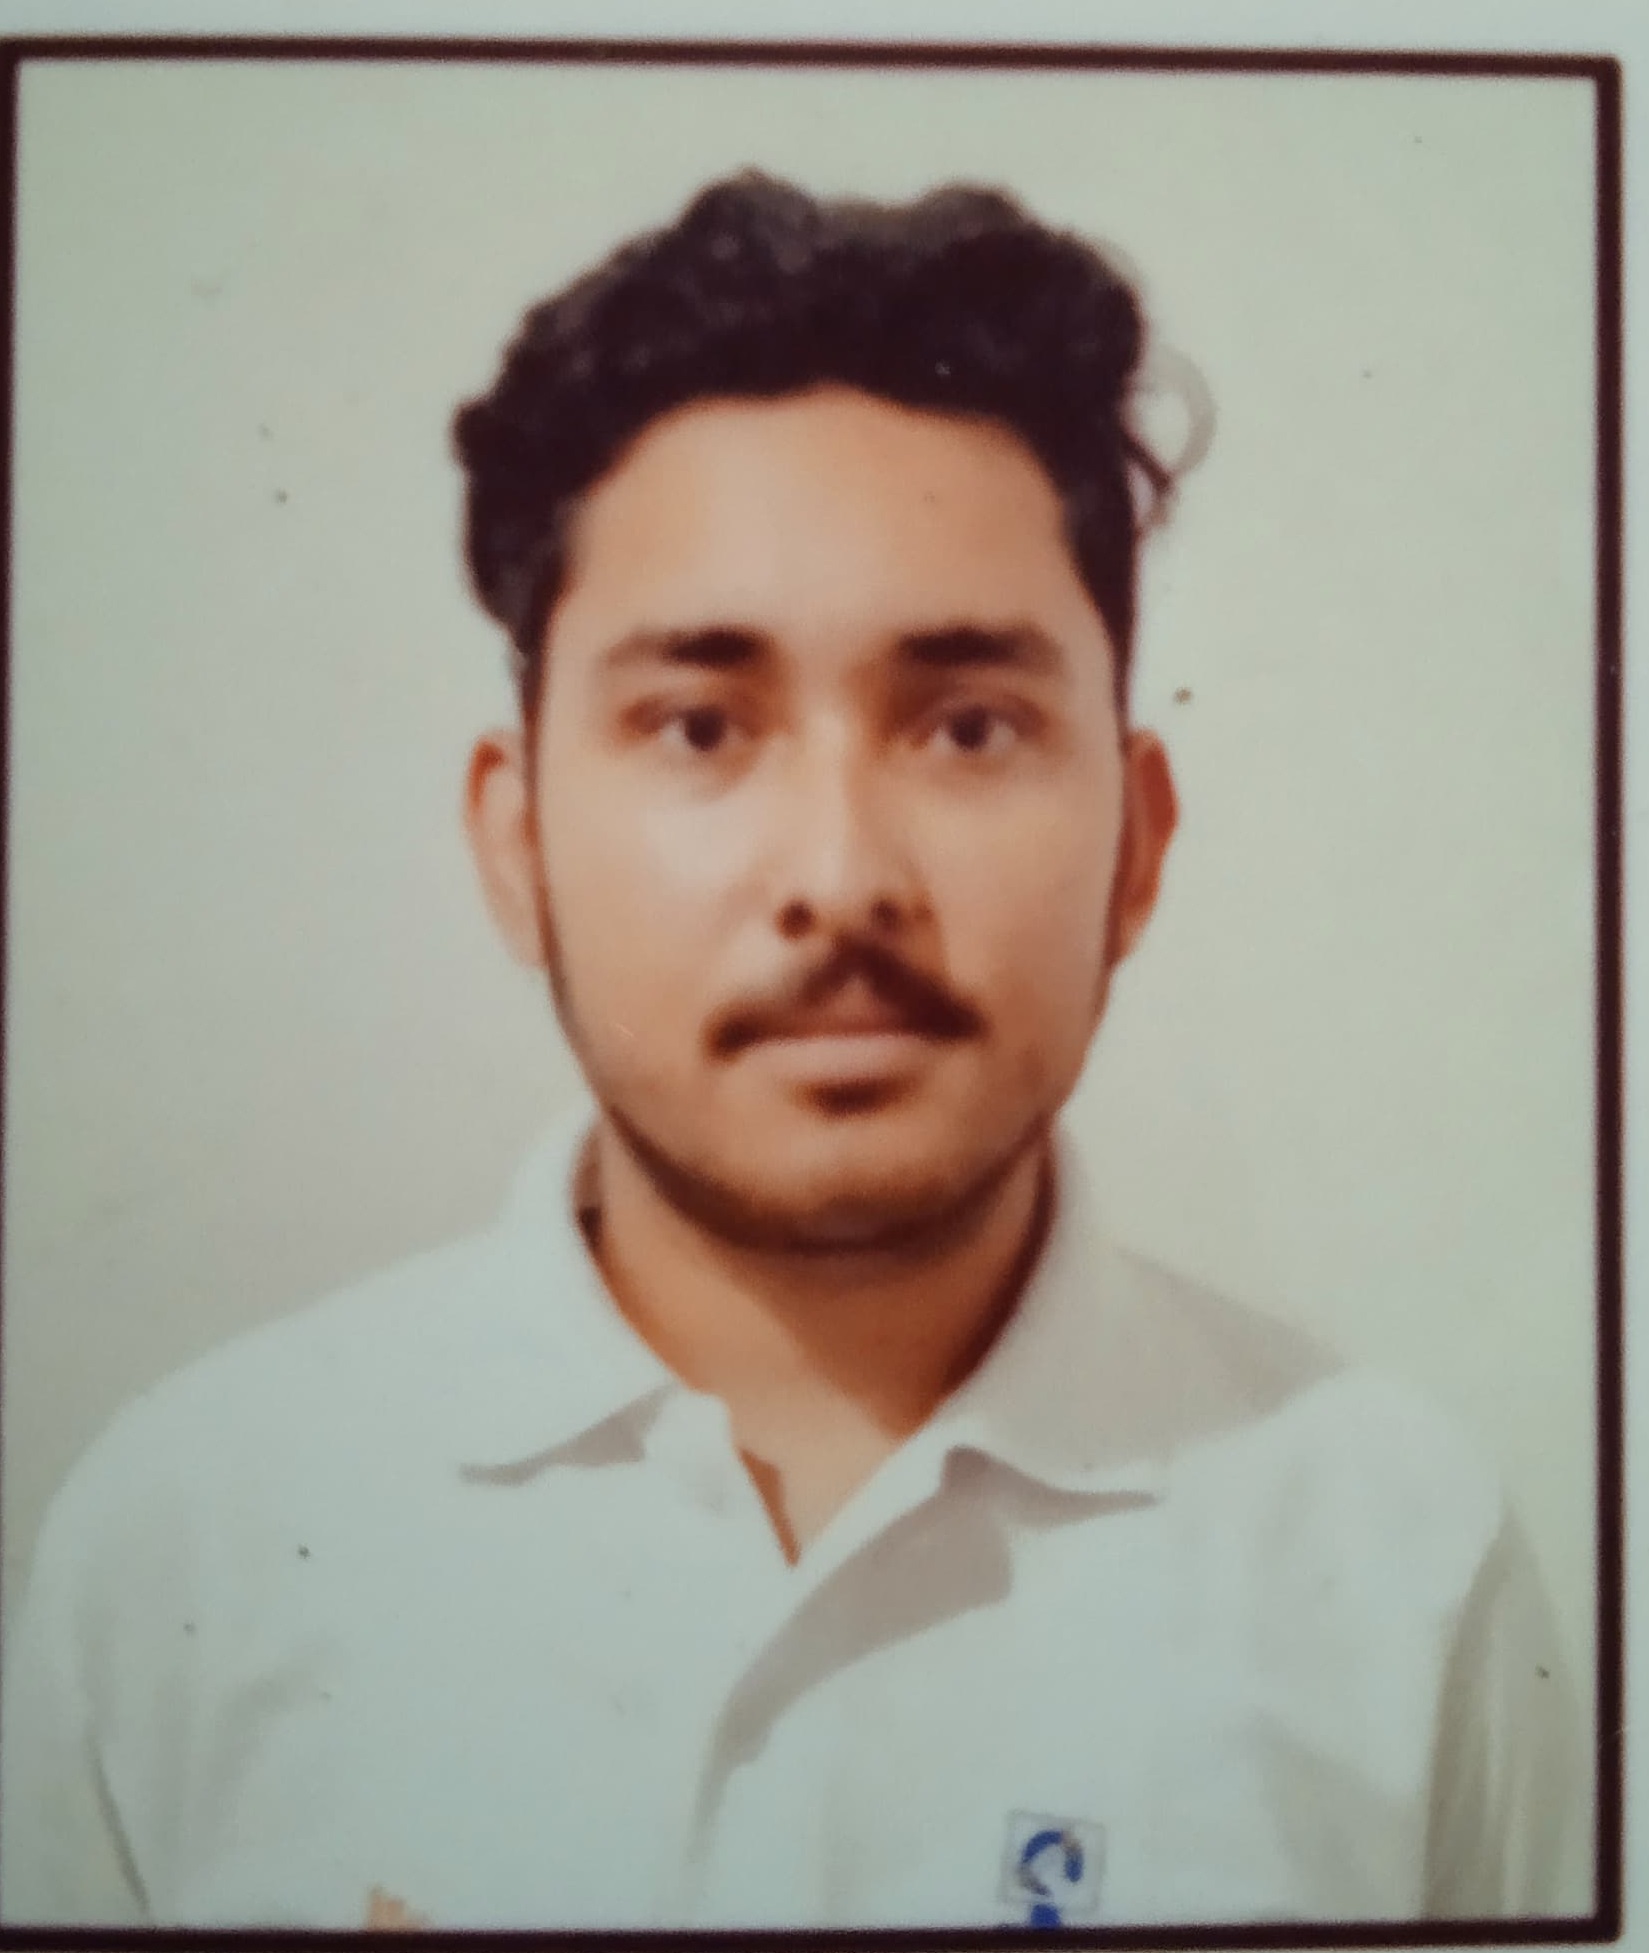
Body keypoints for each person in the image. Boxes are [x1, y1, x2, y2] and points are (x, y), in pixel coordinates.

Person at [0, 172, 1583, 1931]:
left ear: (1135, 845)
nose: (838, 875)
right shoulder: (186, 1549)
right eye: (699, 723)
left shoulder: (1400, 1571)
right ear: (516, 843)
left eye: (968, 726)